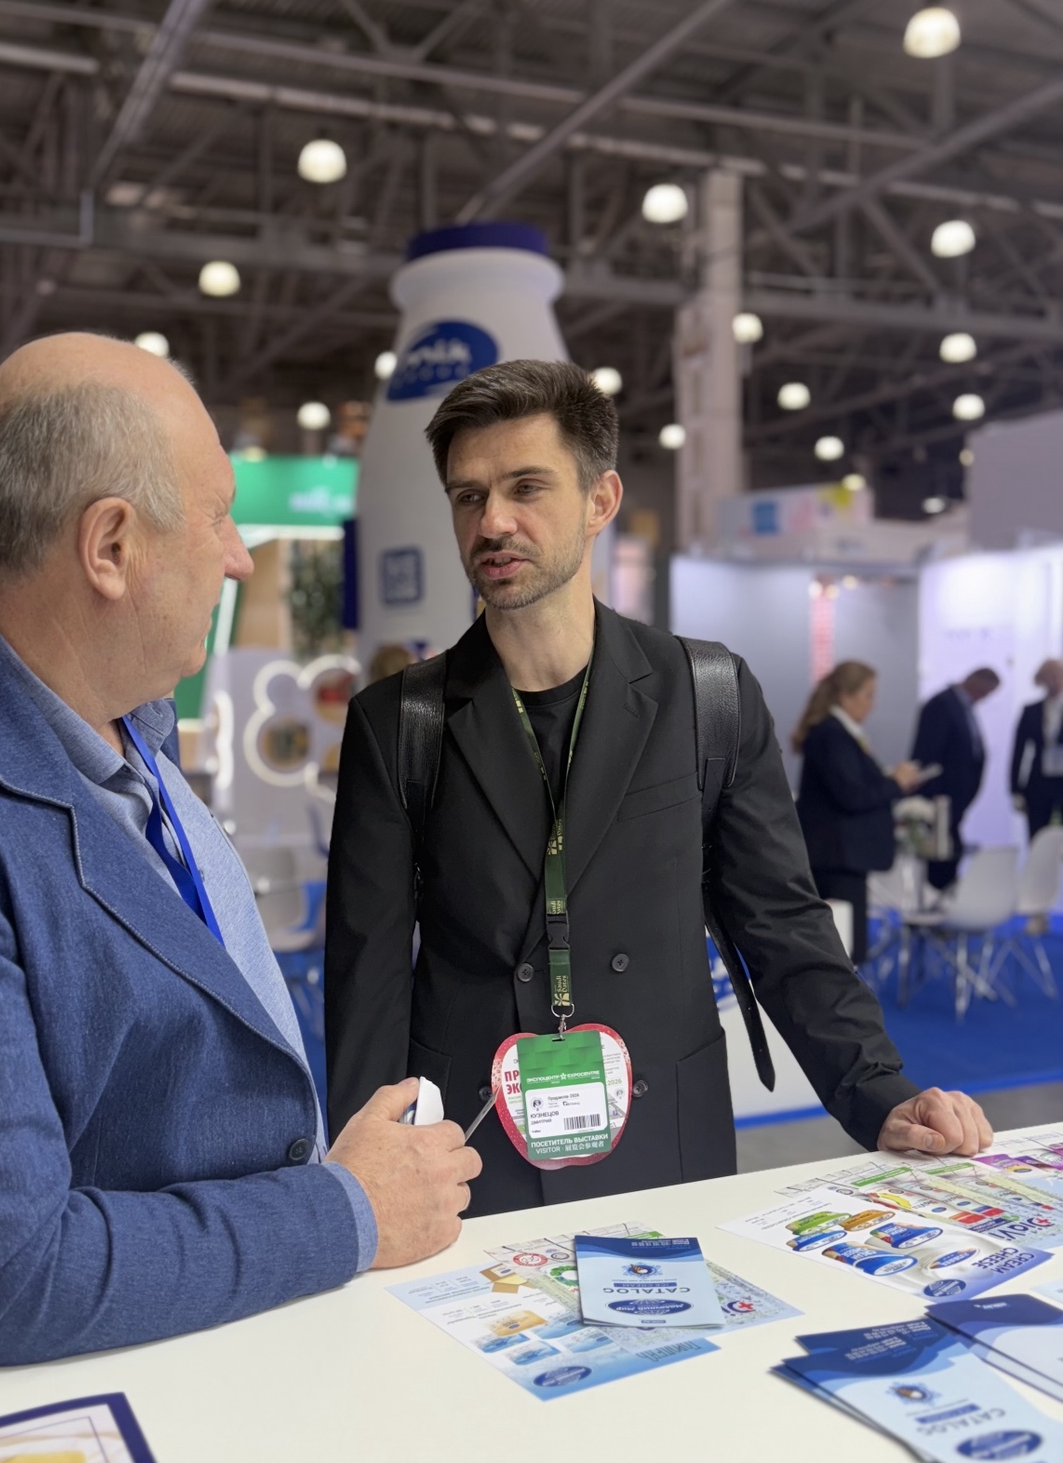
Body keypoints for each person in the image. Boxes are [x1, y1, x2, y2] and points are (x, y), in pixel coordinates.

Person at [0, 333, 479, 1370]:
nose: (238, 556)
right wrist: (344, 1209)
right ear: (110, 547)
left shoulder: (113, 699)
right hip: (54, 1400)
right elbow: (10, 1279)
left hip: (211, 1331)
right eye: (218, 516)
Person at [326, 360, 992, 1217]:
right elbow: (368, 973)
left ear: (600, 500)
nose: (493, 521)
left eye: (526, 487)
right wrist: (364, 1182)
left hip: (666, 1130)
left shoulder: (707, 695)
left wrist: (878, 1091)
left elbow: (781, 922)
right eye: (469, 496)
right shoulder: (400, 720)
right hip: (467, 1148)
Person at [792, 662, 921, 966]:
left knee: (845, 944)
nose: (872, 705)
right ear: (846, 696)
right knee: (843, 947)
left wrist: (891, 781)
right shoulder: (832, 735)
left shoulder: (840, 734)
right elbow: (851, 795)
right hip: (836, 856)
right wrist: (895, 783)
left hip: (841, 856)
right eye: (868, 695)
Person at [911, 667, 1001, 890]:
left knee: (951, 852)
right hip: (940, 800)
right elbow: (927, 756)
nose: (984, 698)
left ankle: (944, 898)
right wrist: (932, 799)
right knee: (943, 855)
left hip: (957, 801)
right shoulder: (941, 705)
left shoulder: (964, 708)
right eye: (985, 692)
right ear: (976, 683)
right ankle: (937, 900)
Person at [1012, 660, 1063, 838]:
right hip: (1039, 784)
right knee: (1038, 835)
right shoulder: (1031, 711)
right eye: (1050, 678)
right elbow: (1018, 752)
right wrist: (1015, 789)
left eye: (1057, 677)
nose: (1054, 682)